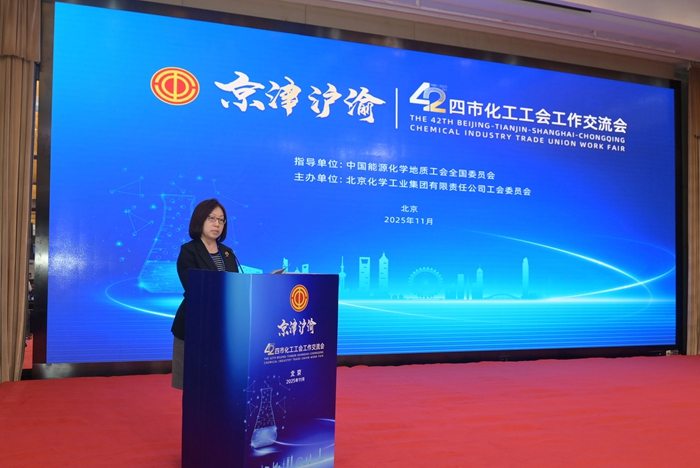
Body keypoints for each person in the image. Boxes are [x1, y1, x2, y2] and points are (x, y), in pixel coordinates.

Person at [171, 198, 239, 389]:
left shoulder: (228, 253)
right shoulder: (189, 251)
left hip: (224, 328)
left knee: (220, 385)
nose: (217, 224)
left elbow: (236, 285)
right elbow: (193, 286)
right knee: (193, 386)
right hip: (195, 325)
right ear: (200, 219)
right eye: (212, 218)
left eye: (221, 220)